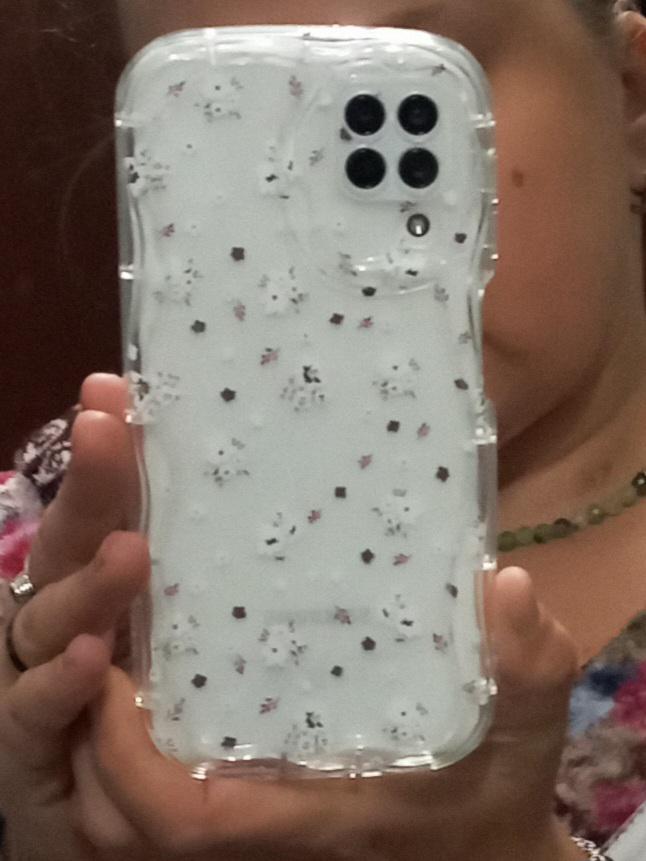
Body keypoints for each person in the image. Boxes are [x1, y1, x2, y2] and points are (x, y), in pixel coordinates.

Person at [2, 0, 646, 858]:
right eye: (227, 116)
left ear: (633, 93)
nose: (314, 217)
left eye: (398, 98)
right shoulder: (55, 526)